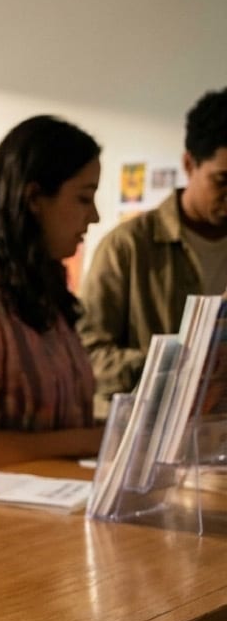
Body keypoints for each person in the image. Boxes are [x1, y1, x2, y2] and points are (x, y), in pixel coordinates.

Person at [0, 116, 103, 477]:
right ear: (34, 198)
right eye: (83, 198)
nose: (94, 216)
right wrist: (90, 440)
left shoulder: (48, 300)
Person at [79, 87, 227, 418]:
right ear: (188, 164)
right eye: (222, 180)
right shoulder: (127, 247)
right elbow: (87, 357)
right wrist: (175, 364)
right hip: (145, 431)